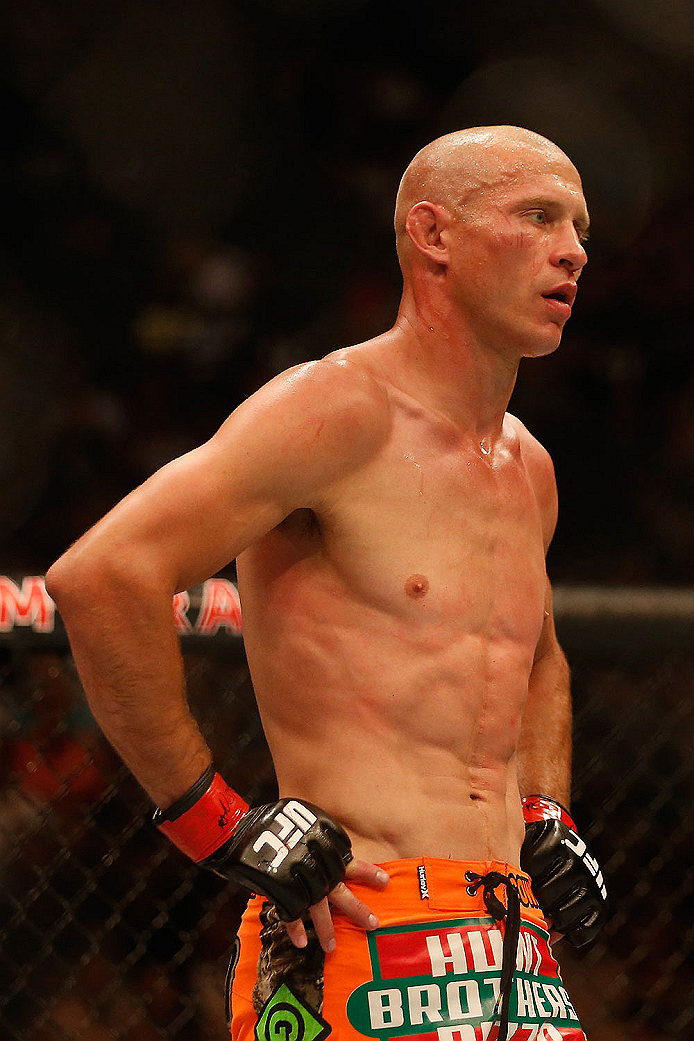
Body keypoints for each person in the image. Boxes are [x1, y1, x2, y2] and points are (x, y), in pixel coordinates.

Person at [46, 125, 608, 1041]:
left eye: (581, 226)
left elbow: (537, 653)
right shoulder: (336, 411)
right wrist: (217, 824)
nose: (574, 248)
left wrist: (547, 807)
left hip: (514, 944)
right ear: (434, 235)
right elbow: (103, 575)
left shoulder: (527, 466)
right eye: (538, 216)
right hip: (360, 926)